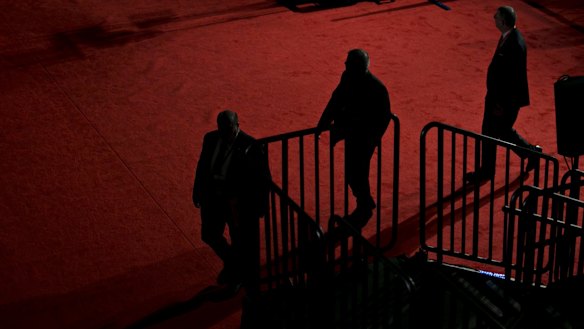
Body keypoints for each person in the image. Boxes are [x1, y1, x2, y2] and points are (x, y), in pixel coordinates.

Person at [193, 110, 270, 293]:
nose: (225, 134)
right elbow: (202, 166)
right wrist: (197, 191)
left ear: (238, 125)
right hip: (213, 198)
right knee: (209, 235)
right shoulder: (211, 138)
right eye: (222, 129)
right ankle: (233, 264)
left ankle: (238, 274)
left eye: (228, 129)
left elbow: (263, 179)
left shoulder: (251, 146)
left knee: (239, 240)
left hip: (237, 203)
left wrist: (260, 206)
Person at [465, 6, 541, 184]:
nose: (494, 18)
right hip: (501, 99)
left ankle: (487, 171)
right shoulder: (510, 36)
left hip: (502, 101)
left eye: (496, 17)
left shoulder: (514, 44)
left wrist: (500, 104)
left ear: (504, 22)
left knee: (491, 133)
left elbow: (512, 79)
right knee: (500, 131)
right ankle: (531, 153)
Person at [316, 49, 392, 228]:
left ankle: (364, 204)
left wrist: (373, 139)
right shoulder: (349, 77)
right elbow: (336, 100)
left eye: (349, 63)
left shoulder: (377, 88)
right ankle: (365, 202)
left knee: (356, 172)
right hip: (352, 134)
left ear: (360, 67)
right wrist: (322, 124)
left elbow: (383, 117)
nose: (345, 66)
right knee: (353, 172)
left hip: (364, 137)